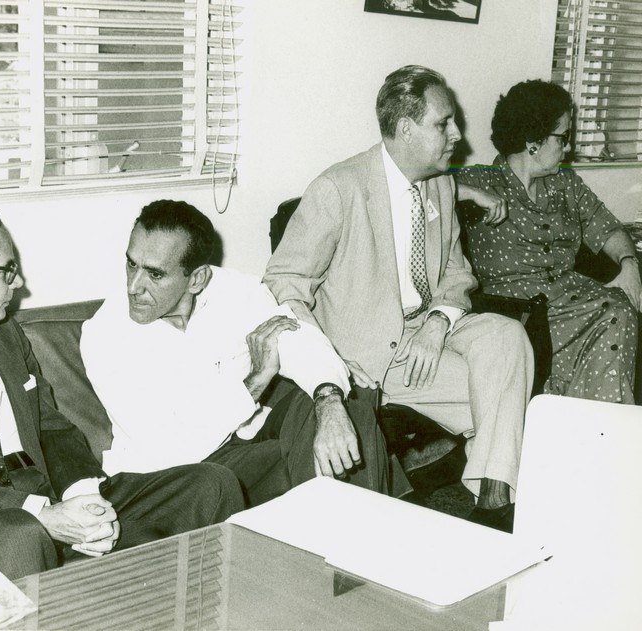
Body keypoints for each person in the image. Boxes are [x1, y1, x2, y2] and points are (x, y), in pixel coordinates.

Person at [0, 204, 243, 581]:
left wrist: (84, 496)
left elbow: (50, 427)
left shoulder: (3, 332)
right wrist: (40, 515)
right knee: (20, 534)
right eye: (7, 271)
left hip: (42, 498)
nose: (18, 282)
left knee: (211, 483)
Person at [263, 65, 535, 533]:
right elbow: (283, 282)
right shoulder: (338, 189)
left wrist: (437, 323)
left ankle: (492, 497)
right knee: (505, 411)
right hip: (368, 353)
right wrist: (325, 362)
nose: (457, 134)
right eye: (443, 123)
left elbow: (456, 272)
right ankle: (494, 496)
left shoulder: (439, 183)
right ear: (406, 129)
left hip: (425, 332)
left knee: (507, 336)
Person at [80, 199, 391, 508]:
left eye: (155, 274)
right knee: (231, 476)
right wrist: (255, 382)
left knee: (345, 412)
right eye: (131, 264)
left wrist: (328, 398)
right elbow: (171, 447)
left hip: (241, 442)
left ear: (197, 279)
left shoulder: (234, 291)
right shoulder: (105, 335)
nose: (134, 286)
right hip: (172, 478)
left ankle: (347, 531)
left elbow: (294, 337)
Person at [455, 79, 640, 404]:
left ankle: (584, 424)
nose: (567, 148)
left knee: (620, 308)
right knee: (615, 313)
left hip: (572, 300)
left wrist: (629, 264)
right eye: (563, 137)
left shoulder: (566, 183)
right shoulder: (479, 181)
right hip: (516, 313)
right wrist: (468, 193)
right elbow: (420, 190)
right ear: (533, 141)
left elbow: (608, 228)